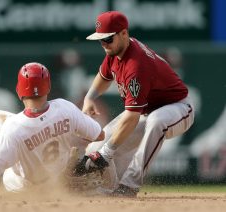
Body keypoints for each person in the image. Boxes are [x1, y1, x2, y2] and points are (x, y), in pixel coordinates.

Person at [76, 11, 195, 197]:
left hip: (178, 108)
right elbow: (104, 76)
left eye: (108, 38)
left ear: (124, 33)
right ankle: (113, 191)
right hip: (145, 111)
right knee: (95, 148)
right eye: (100, 40)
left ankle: (129, 186)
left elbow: (131, 117)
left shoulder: (136, 65)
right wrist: (90, 98)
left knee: (156, 121)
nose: (104, 44)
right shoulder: (115, 51)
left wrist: (106, 153)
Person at [0, 62, 108, 198]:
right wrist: (74, 132)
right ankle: (25, 140)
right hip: (60, 176)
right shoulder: (65, 107)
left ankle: (18, 143)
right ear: (48, 87)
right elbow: (100, 135)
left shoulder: (13, 127)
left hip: (27, 187)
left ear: (19, 89)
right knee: (16, 130)